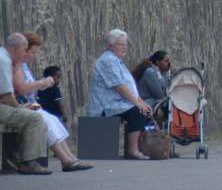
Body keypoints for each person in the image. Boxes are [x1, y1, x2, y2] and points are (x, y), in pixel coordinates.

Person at [13, 32, 92, 172]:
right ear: (23, 50)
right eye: (32, 52)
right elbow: (21, 88)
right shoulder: (16, 66)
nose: (34, 56)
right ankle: (65, 159)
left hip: (31, 104)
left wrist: (40, 85)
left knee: (54, 120)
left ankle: (70, 157)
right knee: (46, 121)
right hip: (22, 105)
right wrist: (41, 82)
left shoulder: (23, 66)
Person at [86, 29, 154, 160]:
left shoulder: (117, 61)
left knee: (144, 110)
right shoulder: (108, 61)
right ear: (110, 46)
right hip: (105, 106)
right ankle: (133, 150)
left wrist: (142, 102)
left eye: (125, 44)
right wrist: (137, 104)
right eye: (120, 44)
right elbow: (119, 87)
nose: (124, 47)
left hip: (118, 103)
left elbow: (130, 87)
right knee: (137, 111)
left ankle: (140, 147)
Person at [0, 33, 49, 175]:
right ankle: (28, 162)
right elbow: (6, 96)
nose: (24, 53)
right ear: (17, 48)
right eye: (24, 49)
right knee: (34, 118)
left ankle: (19, 156)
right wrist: (20, 108)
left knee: (29, 116)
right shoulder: (3, 60)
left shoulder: (4, 57)